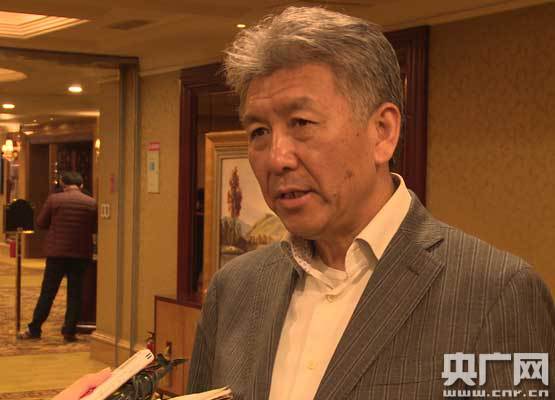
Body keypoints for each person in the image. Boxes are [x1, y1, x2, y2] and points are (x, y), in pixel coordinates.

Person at [185, 6, 555, 399]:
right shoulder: (235, 288)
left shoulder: (495, 293)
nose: (277, 158)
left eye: (302, 123)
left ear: (383, 132)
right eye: (259, 131)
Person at [19, 171, 97, 342]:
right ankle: (69, 331)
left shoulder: (54, 200)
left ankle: (35, 328)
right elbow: (95, 227)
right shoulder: (91, 202)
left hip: (57, 254)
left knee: (48, 292)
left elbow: (41, 222)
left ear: (62, 184)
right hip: (80, 254)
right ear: (81, 185)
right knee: (75, 294)